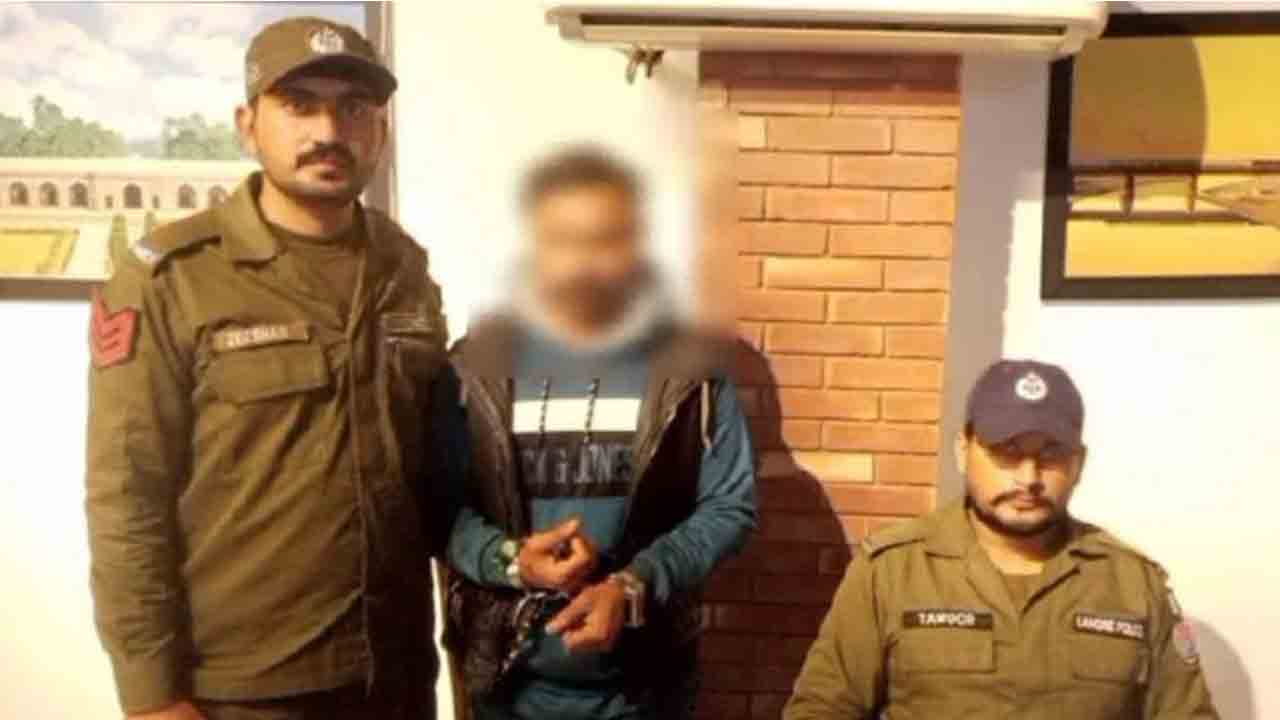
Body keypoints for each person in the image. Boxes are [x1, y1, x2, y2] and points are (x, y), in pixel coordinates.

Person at [85, 17, 451, 720]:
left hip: (395, 674)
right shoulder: (173, 278)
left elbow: (433, 467)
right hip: (244, 688)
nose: (328, 131)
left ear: (380, 131)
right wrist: (152, 694)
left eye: (354, 108)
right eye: (299, 105)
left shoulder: (403, 269)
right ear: (248, 125)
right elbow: (127, 495)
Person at [437, 145, 758, 720]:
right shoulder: (472, 370)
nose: (584, 262)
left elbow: (729, 507)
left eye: (606, 239)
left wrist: (634, 585)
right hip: (505, 689)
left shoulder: (689, 371)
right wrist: (511, 561)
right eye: (564, 240)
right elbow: (438, 507)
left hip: (646, 690)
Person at [785, 359, 1220, 720]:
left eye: (1050, 454)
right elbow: (823, 709)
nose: (1029, 478)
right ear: (963, 450)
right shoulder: (892, 571)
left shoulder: (1131, 584)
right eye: (1007, 451)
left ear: (1079, 463)